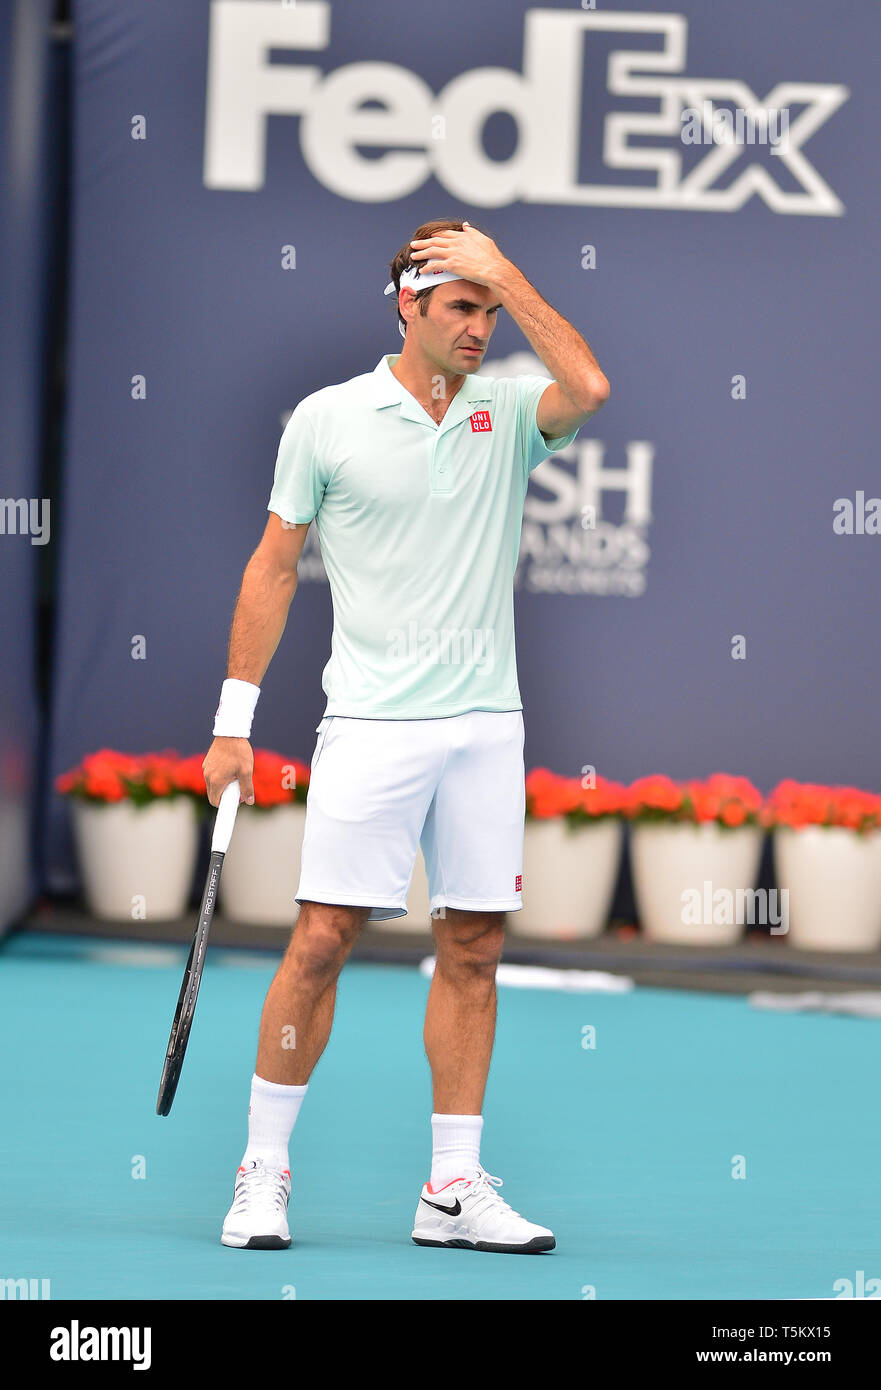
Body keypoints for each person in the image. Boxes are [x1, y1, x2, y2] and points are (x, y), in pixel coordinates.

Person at [203, 218, 610, 1253]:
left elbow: (592, 388)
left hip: (485, 727)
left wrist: (507, 274)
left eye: (487, 308)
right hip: (373, 726)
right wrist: (233, 723)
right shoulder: (328, 418)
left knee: (471, 949)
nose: (478, 326)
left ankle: (451, 1186)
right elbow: (272, 566)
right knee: (321, 942)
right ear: (408, 306)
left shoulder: (513, 406)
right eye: (460, 306)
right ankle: (262, 1169)